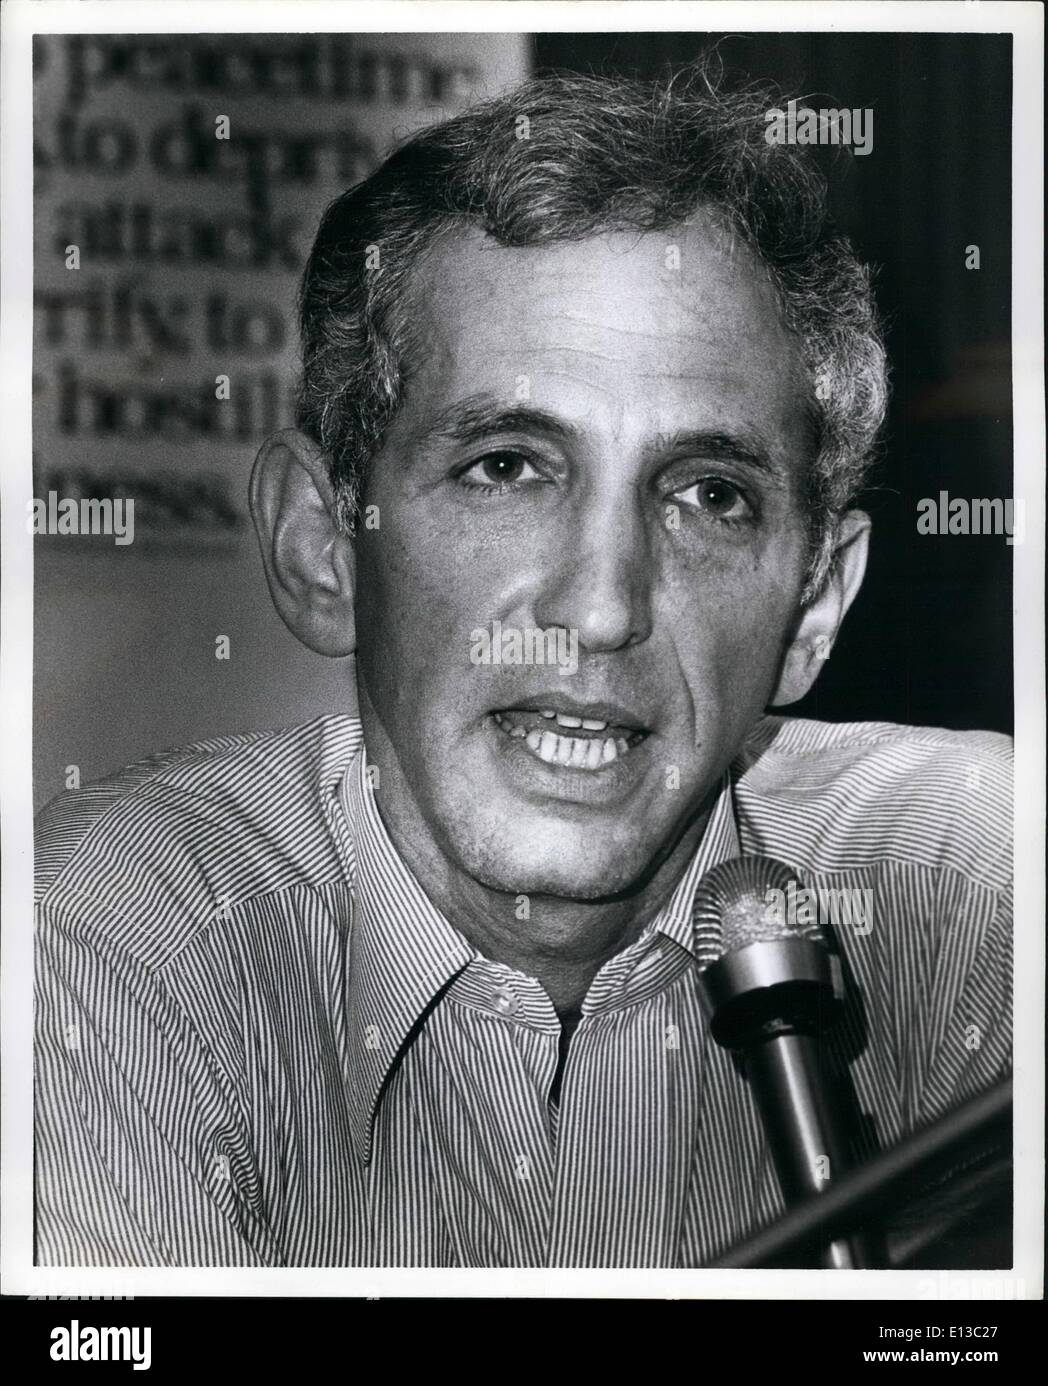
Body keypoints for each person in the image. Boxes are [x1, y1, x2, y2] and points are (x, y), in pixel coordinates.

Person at [34, 60, 1012, 1268]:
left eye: (708, 495)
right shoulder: (113, 938)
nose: (601, 610)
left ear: (813, 606)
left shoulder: (976, 881)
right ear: (323, 545)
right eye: (505, 466)